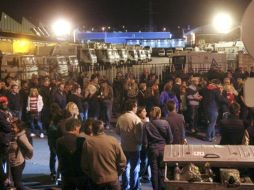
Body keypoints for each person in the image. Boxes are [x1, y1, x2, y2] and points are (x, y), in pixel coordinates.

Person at [82, 120, 126, 190]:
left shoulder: (88, 142)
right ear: (104, 129)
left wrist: (92, 175)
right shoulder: (113, 140)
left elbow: (84, 164)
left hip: (97, 179)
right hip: (113, 179)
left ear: (92, 129)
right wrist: (117, 173)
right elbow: (122, 160)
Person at [143, 106, 173, 190]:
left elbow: (145, 142)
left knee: (154, 171)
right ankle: (163, 187)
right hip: (163, 150)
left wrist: (147, 150)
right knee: (163, 170)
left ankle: (155, 188)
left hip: (152, 150)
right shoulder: (165, 123)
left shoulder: (146, 125)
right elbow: (170, 139)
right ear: (159, 114)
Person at [116, 99, 143, 190]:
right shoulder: (136, 119)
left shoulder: (121, 117)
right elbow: (139, 136)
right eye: (136, 106)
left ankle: (125, 185)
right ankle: (134, 187)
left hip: (124, 146)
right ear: (133, 107)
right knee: (134, 168)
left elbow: (117, 131)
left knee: (125, 167)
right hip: (135, 147)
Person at [56, 118, 88, 190]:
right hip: (79, 173)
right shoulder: (82, 140)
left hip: (66, 173)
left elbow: (59, 157)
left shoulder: (59, 141)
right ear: (76, 127)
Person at [8, 119, 33, 190]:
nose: (11, 128)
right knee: (14, 183)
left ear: (19, 128)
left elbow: (30, 148)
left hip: (17, 163)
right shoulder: (14, 135)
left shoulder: (21, 137)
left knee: (18, 184)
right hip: (13, 161)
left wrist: (28, 156)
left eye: (13, 127)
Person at [0, 96, 13, 189]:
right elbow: (7, 127)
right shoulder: (0, 113)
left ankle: (7, 179)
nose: (4, 103)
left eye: (5, 102)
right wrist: (11, 125)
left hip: (9, 138)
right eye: (2, 102)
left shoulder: (8, 111)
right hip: (3, 140)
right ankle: (5, 180)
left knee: (8, 161)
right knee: (5, 161)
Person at [137, 106, 150, 183]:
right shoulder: (137, 121)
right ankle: (139, 175)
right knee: (144, 160)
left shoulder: (147, 120)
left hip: (147, 143)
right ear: (139, 113)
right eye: (143, 111)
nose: (145, 112)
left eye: (145, 111)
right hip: (141, 143)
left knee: (146, 161)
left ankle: (145, 176)